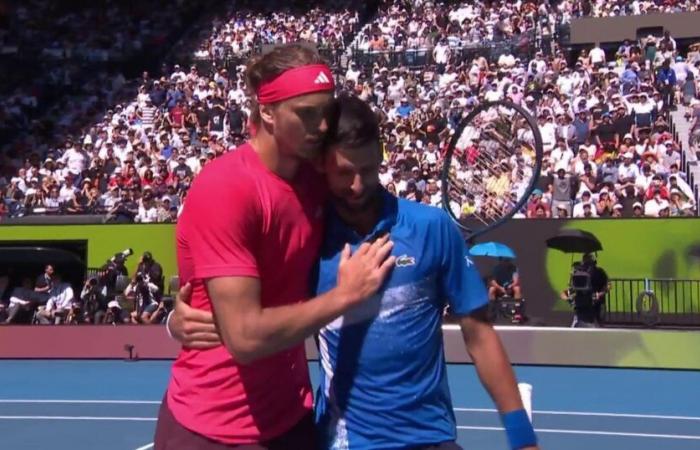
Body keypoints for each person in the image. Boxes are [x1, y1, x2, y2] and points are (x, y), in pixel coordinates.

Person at [169, 96, 538, 450]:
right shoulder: (309, 236)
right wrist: (177, 319)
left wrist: (521, 437)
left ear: (381, 157)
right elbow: (252, 317)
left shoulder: (432, 228)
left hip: (428, 437)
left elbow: (480, 336)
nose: (358, 185)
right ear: (321, 166)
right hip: (342, 441)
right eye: (344, 173)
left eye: (368, 169)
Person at [154, 45, 396, 450]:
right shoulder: (226, 187)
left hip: (291, 419)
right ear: (266, 112)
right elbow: (245, 339)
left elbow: (378, 207)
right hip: (212, 428)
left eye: (326, 112)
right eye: (306, 114)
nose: (321, 127)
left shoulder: (316, 179)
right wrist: (345, 296)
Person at [560, 253, 609, 328]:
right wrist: (568, 298)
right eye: (585, 263)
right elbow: (566, 292)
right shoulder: (579, 275)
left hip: (596, 307)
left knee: (597, 325)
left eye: (589, 263)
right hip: (581, 309)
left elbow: (607, 286)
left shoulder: (599, 272)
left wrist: (599, 294)